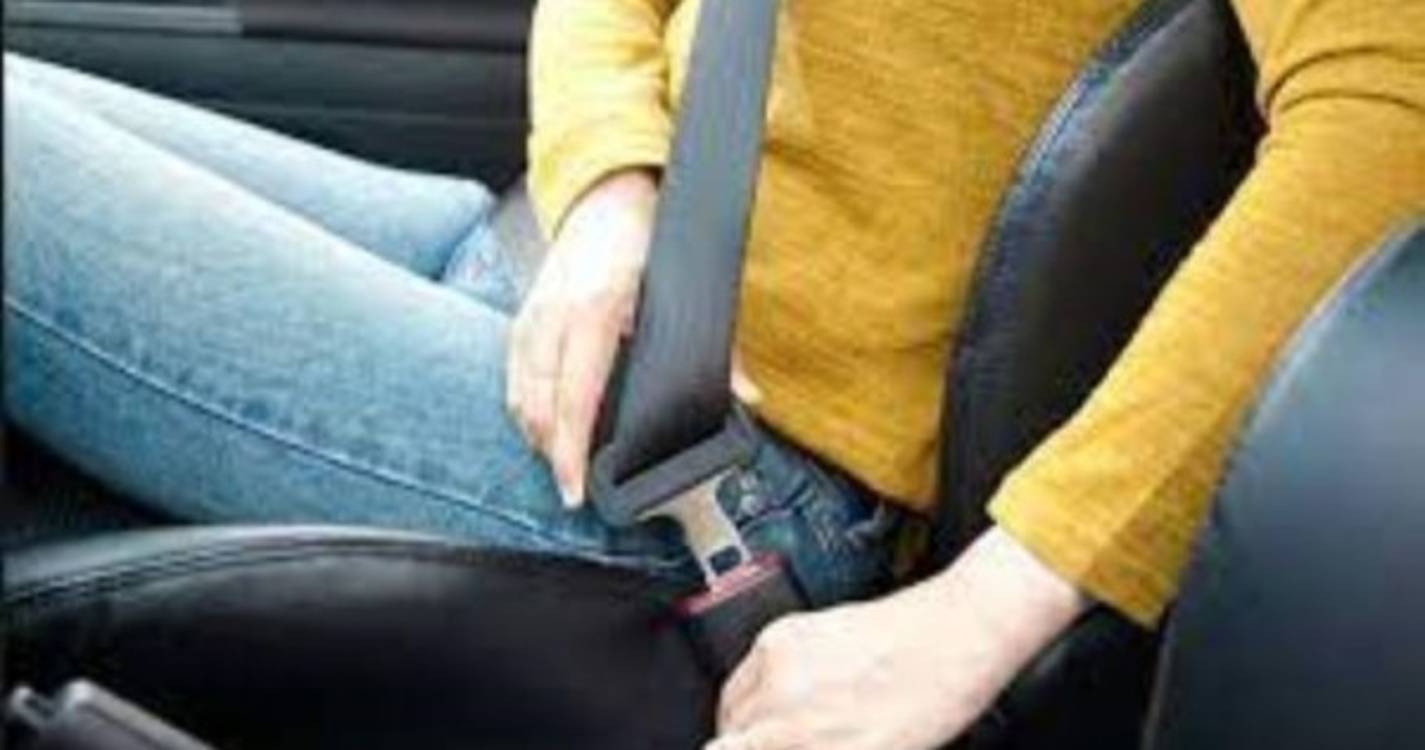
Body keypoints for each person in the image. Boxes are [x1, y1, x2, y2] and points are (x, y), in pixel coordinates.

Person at [4, 0, 1421, 746]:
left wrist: (990, 605)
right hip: (548, 270)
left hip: (715, 474)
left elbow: (1394, 105)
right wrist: (609, 191)